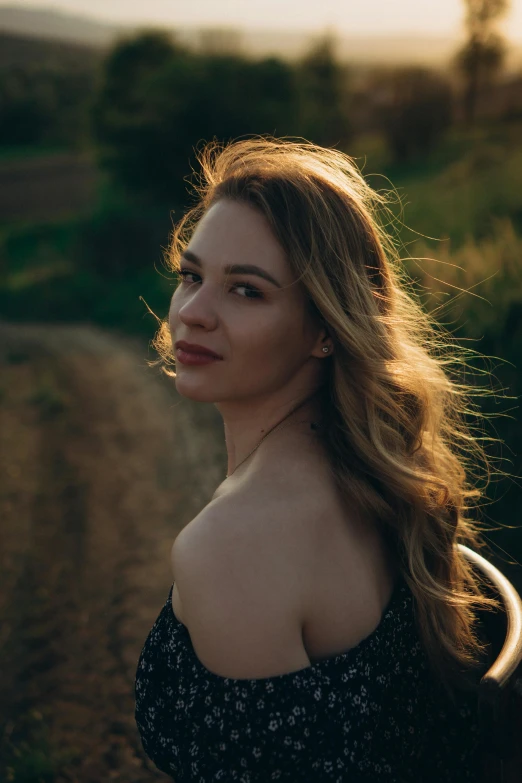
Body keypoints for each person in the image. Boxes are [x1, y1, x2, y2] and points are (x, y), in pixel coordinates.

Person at [135, 137, 499, 782]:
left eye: (246, 291)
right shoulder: (371, 469)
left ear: (328, 328)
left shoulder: (231, 546)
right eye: (192, 276)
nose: (192, 313)